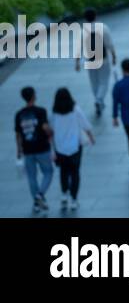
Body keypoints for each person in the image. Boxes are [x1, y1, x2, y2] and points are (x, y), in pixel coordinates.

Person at [50, 88, 93, 211]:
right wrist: (91, 136)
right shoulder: (75, 110)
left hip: (60, 147)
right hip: (75, 147)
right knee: (75, 173)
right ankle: (74, 199)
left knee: (63, 172)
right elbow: (85, 124)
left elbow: (51, 129)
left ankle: (64, 194)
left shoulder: (54, 113)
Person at [14, 87, 54, 215]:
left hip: (27, 149)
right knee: (48, 172)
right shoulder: (40, 111)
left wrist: (19, 150)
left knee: (32, 177)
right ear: (33, 96)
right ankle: (40, 195)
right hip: (42, 147)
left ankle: (36, 204)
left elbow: (18, 134)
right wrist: (51, 133)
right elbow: (45, 127)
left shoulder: (19, 114)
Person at [74, 9, 115, 117]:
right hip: (103, 59)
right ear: (96, 16)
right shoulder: (103, 28)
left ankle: (98, 100)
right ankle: (99, 100)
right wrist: (114, 56)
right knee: (104, 81)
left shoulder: (83, 31)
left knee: (94, 82)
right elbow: (109, 44)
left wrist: (77, 62)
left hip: (90, 60)